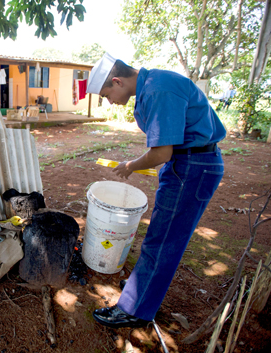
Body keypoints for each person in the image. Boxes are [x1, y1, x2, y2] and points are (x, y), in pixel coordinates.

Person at [86, 53, 226, 328]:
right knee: (160, 234)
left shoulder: (158, 89)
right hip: (186, 163)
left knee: (163, 240)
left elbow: (162, 152)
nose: (109, 101)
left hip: (192, 167)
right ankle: (144, 286)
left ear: (117, 81)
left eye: (106, 94)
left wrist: (130, 166)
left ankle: (134, 310)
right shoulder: (153, 84)